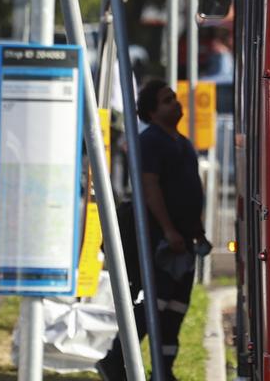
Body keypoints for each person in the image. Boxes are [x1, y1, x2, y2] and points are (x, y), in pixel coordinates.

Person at [98, 80, 208, 381]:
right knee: (155, 304)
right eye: (167, 100)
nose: (175, 103)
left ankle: (164, 370)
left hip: (184, 241)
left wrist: (197, 231)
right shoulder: (151, 142)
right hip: (161, 240)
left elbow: (191, 189)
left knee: (176, 307)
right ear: (152, 111)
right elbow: (150, 187)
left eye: (174, 98)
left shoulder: (183, 144)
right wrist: (169, 230)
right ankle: (116, 359)